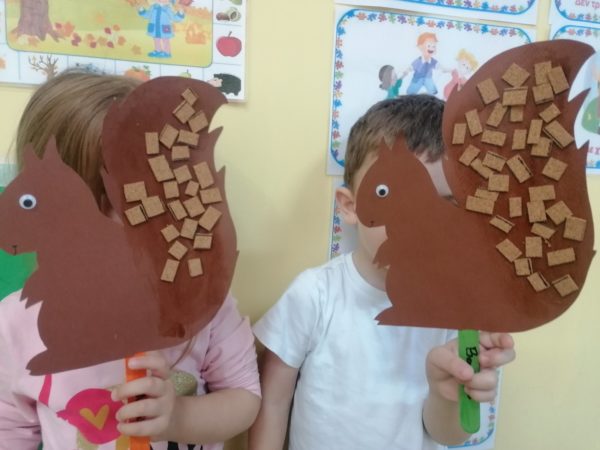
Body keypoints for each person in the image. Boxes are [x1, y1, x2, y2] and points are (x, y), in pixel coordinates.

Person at [0, 71, 261, 449]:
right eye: (89, 205)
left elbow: (244, 397)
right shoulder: (16, 324)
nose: (120, 227)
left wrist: (179, 418)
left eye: (138, 199)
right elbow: (9, 430)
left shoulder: (202, 300)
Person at [248, 95, 516, 450]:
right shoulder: (315, 294)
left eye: (446, 205)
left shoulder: (458, 313)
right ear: (350, 206)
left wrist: (447, 394)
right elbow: (273, 401)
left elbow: (448, 434)